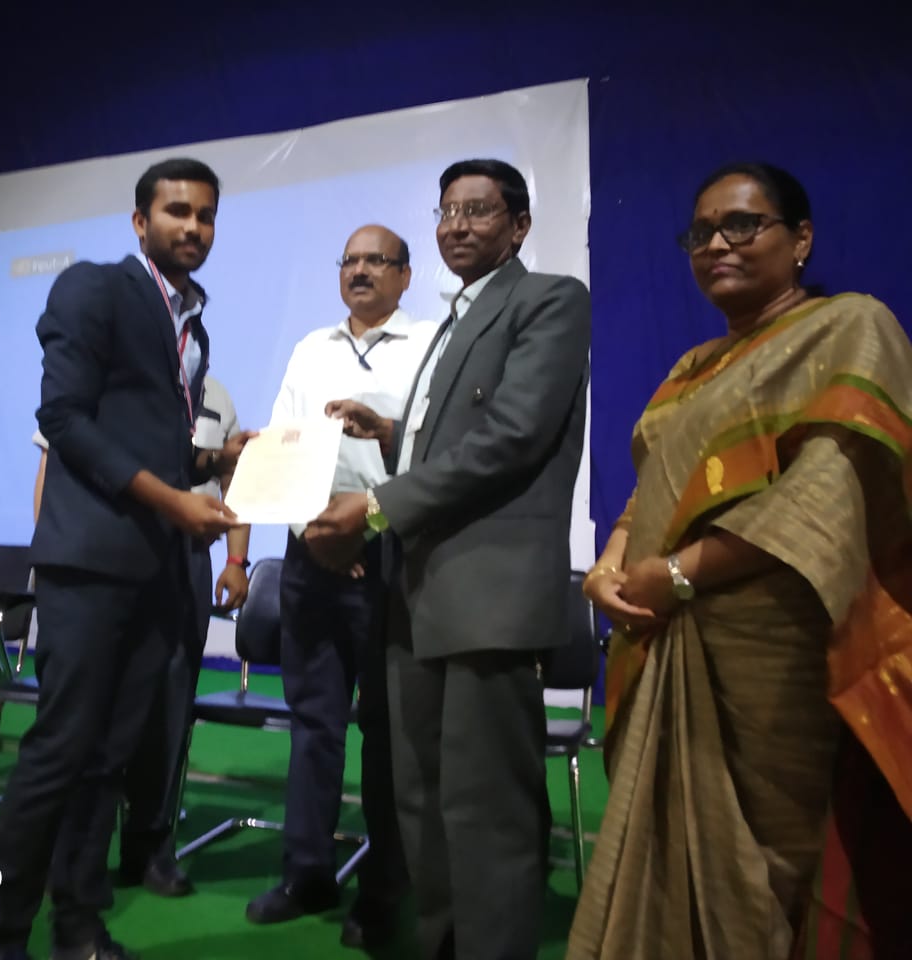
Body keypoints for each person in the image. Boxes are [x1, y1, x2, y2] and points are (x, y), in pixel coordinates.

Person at [566, 162, 912, 959]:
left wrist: (681, 574)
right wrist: (609, 565)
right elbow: (650, 492)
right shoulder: (692, 368)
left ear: (801, 240)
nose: (717, 243)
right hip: (666, 636)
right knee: (668, 861)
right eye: (701, 232)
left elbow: (823, 498)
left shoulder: (849, 328)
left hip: (774, 655)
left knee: (769, 874)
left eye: (743, 224)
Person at [306, 159, 591, 960]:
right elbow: (457, 435)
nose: (458, 225)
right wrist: (392, 435)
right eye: (447, 211)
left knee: (487, 811)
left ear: (520, 225)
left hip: (487, 599)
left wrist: (376, 505)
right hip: (418, 591)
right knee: (421, 800)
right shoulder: (452, 320)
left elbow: (512, 437)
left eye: (478, 210)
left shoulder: (549, 300)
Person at [0, 157, 253, 960]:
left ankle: (78, 926)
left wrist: (218, 460)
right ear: (140, 222)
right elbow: (64, 418)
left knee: (108, 759)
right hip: (91, 564)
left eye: (205, 215)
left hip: (157, 571)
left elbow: (154, 447)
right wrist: (173, 502)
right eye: (176, 211)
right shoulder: (94, 289)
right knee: (60, 752)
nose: (192, 226)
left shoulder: (192, 325)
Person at [245, 225, 431, 947]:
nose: (360, 271)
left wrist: (367, 529)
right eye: (349, 260)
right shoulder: (309, 349)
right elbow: (281, 447)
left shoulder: (430, 345)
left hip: (390, 556)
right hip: (310, 557)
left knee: (387, 731)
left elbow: (430, 455)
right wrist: (313, 534)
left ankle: (384, 892)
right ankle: (307, 874)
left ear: (405, 275)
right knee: (314, 723)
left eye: (376, 260)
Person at [28, 374, 250, 900]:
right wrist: (55, 557)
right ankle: (76, 858)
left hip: (185, 560)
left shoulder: (216, 394)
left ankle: (149, 847)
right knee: (87, 707)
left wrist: (237, 559)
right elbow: (53, 469)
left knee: (169, 710)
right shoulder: (103, 377)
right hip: (106, 554)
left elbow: (235, 481)